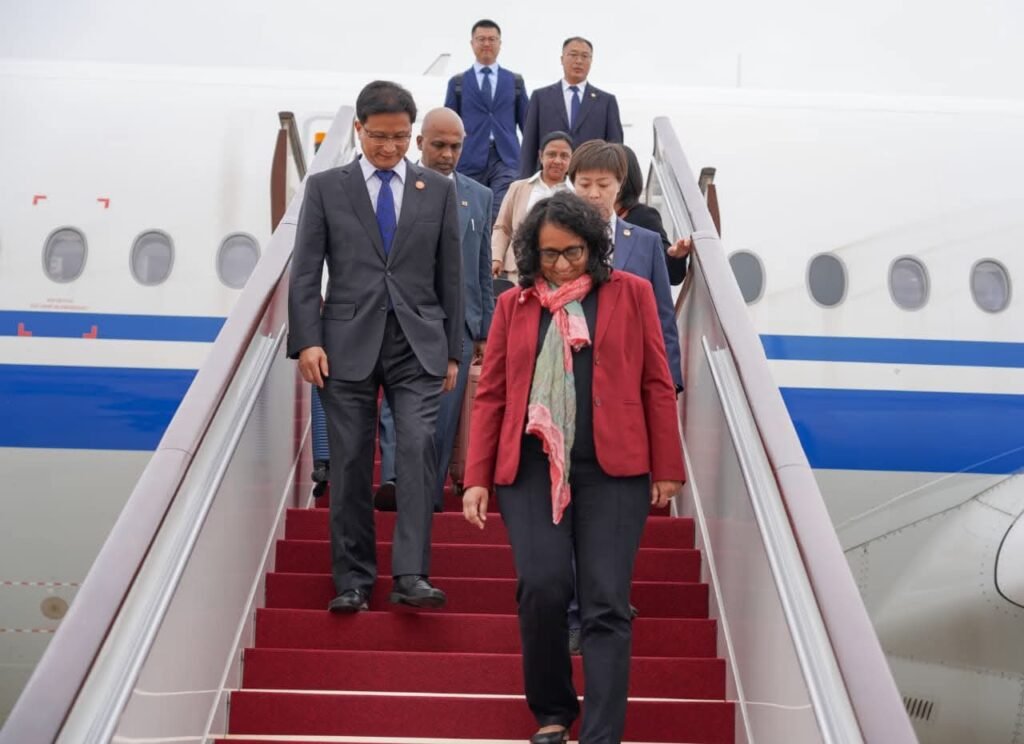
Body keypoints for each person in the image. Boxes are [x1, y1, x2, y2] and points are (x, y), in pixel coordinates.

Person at [462, 191, 684, 744]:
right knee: (543, 586)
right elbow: (491, 395)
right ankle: (554, 710)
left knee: (606, 599)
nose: (562, 265)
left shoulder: (630, 293)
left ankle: (602, 733)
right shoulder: (514, 306)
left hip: (614, 470)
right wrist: (476, 478)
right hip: (532, 468)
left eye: (573, 252)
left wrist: (667, 466)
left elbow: (657, 382)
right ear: (531, 254)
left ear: (594, 247)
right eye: (549, 254)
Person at [287, 80, 463, 613]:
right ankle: (353, 580)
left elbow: (450, 274)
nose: (390, 147)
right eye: (380, 136)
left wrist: (454, 351)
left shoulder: (437, 190)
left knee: (417, 448)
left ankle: (411, 575)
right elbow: (305, 272)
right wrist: (307, 342)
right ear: (360, 130)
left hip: (418, 343)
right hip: (345, 343)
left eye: (401, 138)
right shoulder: (326, 188)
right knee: (349, 461)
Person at [376, 107, 495, 512]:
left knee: (444, 412)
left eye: (455, 146)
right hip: (404, 316)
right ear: (420, 142)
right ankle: (394, 480)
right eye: (439, 145)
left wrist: (484, 330)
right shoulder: (397, 187)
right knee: (397, 403)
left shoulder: (479, 197)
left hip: (459, 322)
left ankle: (427, 489)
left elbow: (481, 266)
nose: (447, 154)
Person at [569, 140, 684, 390]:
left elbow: (663, 315)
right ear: (573, 184)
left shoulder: (647, 242)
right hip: (569, 373)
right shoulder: (555, 239)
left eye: (603, 184)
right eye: (584, 184)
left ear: (620, 184)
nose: (593, 194)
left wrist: (670, 380)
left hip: (628, 374)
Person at [445, 19, 529, 223]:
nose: (486, 44)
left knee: (499, 214)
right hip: (469, 158)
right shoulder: (458, 83)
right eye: (481, 39)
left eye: (492, 39)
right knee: (470, 215)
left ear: (500, 43)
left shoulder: (515, 81)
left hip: (506, 158)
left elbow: (527, 124)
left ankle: (494, 245)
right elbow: (448, 125)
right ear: (472, 43)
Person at [519, 37, 623, 178]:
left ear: (591, 61)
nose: (579, 61)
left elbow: (616, 149)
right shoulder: (540, 97)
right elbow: (529, 145)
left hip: (590, 179)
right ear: (562, 59)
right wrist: (525, 181)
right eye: (573, 55)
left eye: (585, 56)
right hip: (550, 179)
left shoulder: (606, 101)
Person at [491, 130, 573, 281]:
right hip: (519, 271)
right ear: (541, 156)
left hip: (561, 272)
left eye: (564, 156)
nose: (557, 161)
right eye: (551, 154)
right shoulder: (518, 188)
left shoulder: (576, 194)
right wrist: (496, 257)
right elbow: (502, 227)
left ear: (571, 159)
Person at [617, 144, 691, 286]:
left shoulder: (643, 217)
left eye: (603, 182)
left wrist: (675, 256)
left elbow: (671, 275)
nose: (595, 191)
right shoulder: (584, 219)